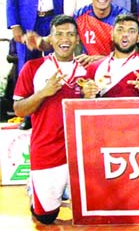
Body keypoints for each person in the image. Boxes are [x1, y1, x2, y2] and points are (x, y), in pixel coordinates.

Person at [12, 15, 89, 225]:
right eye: (59, 34)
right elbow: (18, 108)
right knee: (46, 217)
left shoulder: (87, 71)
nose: (65, 39)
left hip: (80, 154)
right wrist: (44, 92)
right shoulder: (33, 68)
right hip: (47, 150)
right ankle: (34, 188)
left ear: (77, 40)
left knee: (91, 213)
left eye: (71, 34)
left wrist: (91, 97)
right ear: (51, 39)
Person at [85, 14, 139, 97]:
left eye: (131, 31)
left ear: (138, 38)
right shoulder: (94, 68)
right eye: (120, 30)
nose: (125, 34)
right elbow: (83, 104)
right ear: (112, 34)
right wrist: (86, 95)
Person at [73, 0, 128, 66]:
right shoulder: (79, 16)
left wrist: (99, 60)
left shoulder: (124, 18)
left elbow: (128, 55)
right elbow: (74, 46)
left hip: (115, 68)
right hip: (86, 69)